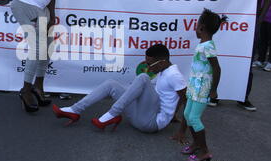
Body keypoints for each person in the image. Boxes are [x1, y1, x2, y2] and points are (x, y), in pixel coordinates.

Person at [0, 0, 86, 113]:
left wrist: (52, 16)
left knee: (48, 46)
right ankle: (26, 90)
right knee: (37, 46)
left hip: (41, 9)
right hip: (24, 4)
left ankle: (38, 85)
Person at [52, 44, 187, 133]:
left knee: (144, 77)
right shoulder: (163, 70)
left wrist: (181, 130)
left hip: (151, 122)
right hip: (140, 116)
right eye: (147, 63)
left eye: (150, 64)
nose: (148, 67)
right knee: (111, 84)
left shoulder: (174, 75)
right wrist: (173, 114)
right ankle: (75, 110)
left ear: (162, 62)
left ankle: (110, 115)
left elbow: (186, 99)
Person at [173, 9, 225, 161]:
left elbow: (217, 68)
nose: (195, 29)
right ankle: (196, 144)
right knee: (188, 115)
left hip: (202, 88)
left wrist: (214, 89)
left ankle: (204, 151)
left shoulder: (208, 46)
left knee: (194, 118)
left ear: (201, 27)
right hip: (194, 86)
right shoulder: (202, 44)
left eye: (196, 26)